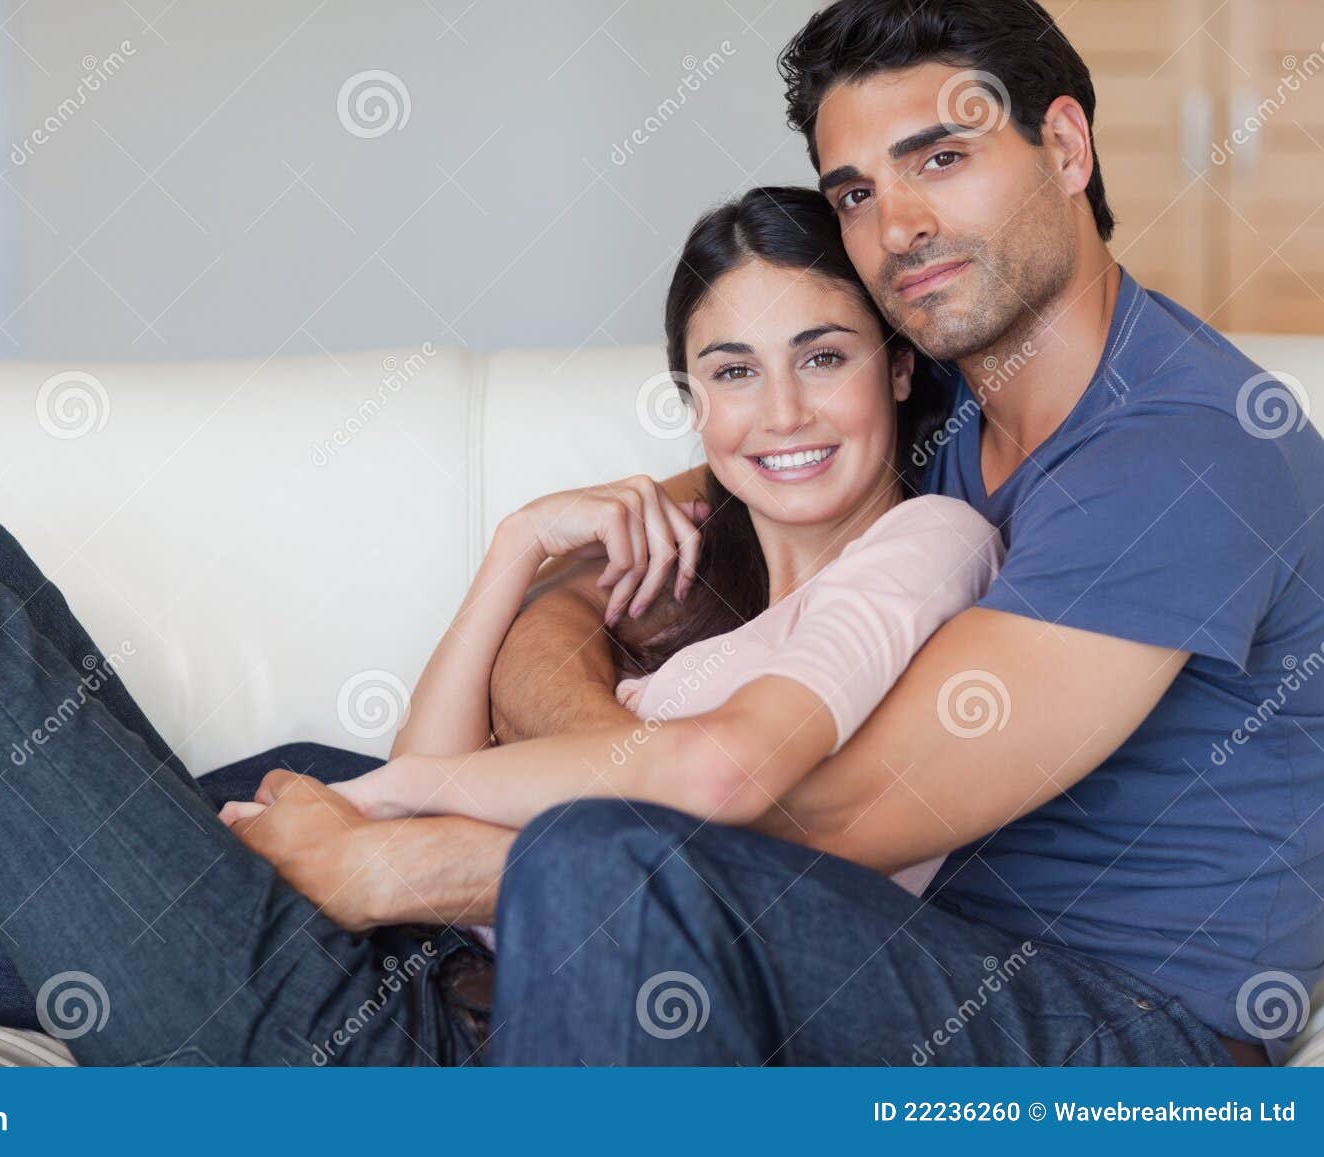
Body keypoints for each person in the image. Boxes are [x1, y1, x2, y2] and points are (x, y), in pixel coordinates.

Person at [0, 187, 990, 1066]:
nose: (780, 410)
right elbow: (442, 747)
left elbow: (710, 776)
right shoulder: (711, 609)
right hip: (382, 966)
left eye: (822, 357)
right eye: (731, 371)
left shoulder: (926, 544)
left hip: (410, 1053)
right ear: (692, 401)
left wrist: (390, 807)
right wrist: (511, 555)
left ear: (893, 368)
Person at [478, 0, 1324, 1066]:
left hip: (1134, 1049)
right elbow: (587, 574)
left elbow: (827, 817)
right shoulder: (934, 403)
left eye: (943, 157)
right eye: (857, 193)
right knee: (281, 781)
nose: (898, 226)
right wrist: (595, 729)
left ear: (1064, 148)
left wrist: (430, 858)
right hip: (897, 956)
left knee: (600, 866)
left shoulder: (1185, 453)